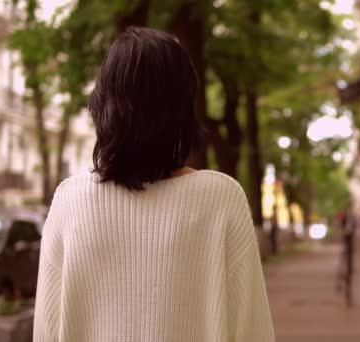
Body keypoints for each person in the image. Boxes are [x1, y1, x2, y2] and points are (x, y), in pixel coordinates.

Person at [33, 27, 274, 342]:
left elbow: (47, 331)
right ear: (183, 108)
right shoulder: (221, 198)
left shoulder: (70, 201)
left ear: (103, 105)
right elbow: (251, 330)